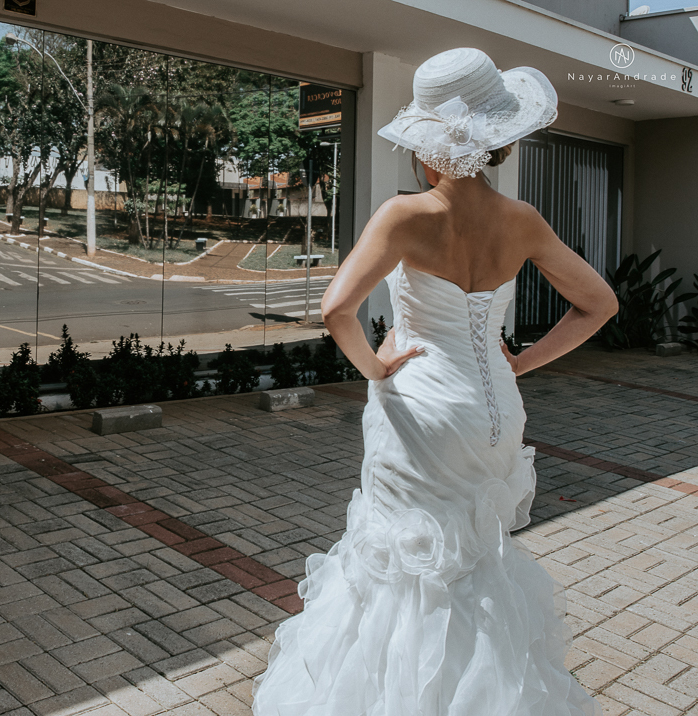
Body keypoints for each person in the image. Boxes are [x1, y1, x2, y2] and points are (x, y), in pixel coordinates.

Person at [252, 48, 616, 715]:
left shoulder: (404, 215)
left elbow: (337, 310)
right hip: (495, 413)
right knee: (475, 565)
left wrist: (376, 369)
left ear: (431, 143)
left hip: (421, 410)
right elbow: (600, 303)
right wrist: (521, 363)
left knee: (404, 570)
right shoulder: (524, 221)